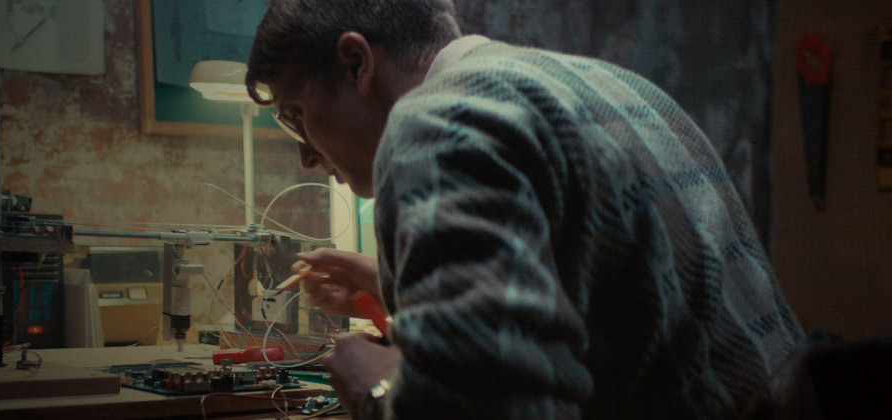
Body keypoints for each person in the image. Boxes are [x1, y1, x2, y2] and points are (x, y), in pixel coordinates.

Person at [244, 0, 805, 418]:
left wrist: (375, 389)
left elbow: (491, 410)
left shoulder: (439, 122)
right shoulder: (613, 87)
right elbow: (603, 297)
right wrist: (394, 284)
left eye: (295, 115)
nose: (305, 156)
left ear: (355, 63)